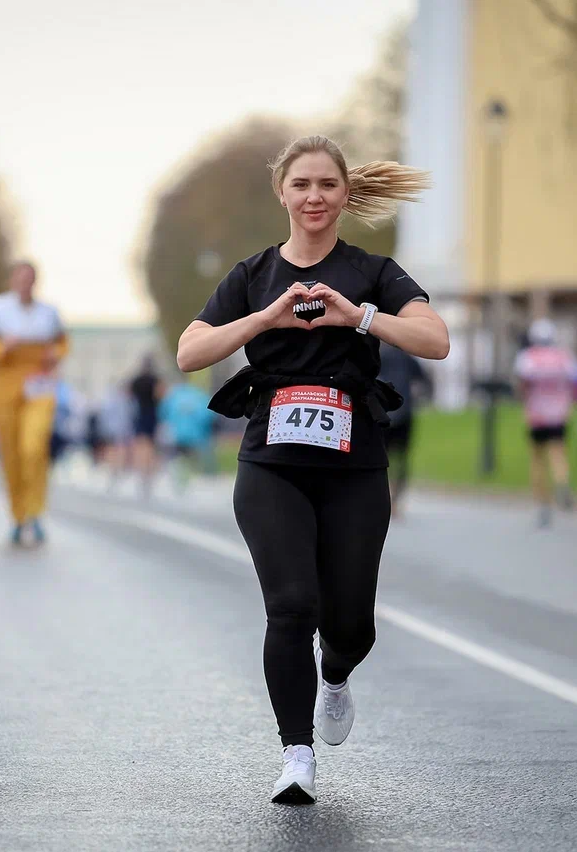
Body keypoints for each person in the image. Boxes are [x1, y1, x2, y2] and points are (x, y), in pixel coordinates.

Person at [176, 135, 449, 804]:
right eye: (302, 184)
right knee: (292, 605)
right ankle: (296, 754)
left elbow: (435, 340)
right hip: (272, 462)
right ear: (283, 192)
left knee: (351, 622)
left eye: (327, 184)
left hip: (355, 466)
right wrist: (263, 318)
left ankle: (336, 672)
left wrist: (359, 317)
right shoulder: (254, 275)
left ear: (346, 193)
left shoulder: (374, 272)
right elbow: (190, 350)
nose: (315, 196)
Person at [0, 262, 69, 545]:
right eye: (20, 278)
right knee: (11, 453)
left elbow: (63, 344)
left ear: (36, 282)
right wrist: (1, 348)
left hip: (39, 385)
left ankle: (36, 512)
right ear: (11, 281)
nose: (26, 283)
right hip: (6, 385)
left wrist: (55, 354)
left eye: (31, 279)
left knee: (34, 446)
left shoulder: (49, 313)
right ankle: (17, 515)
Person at [514, 318, 577, 528]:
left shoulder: (528, 357)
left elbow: (523, 383)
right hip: (559, 414)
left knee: (537, 459)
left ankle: (542, 502)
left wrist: (526, 404)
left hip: (537, 414)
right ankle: (562, 483)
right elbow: (575, 381)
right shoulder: (564, 357)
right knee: (558, 453)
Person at [377, 340, 432, 519]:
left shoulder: (379, 356)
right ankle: (396, 499)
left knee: (381, 460)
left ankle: (385, 499)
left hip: (383, 414)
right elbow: (423, 381)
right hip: (404, 411)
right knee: (401, 458)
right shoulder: (407, 358)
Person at [157, 376, 217, 493]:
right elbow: (208, 414)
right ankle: (194, 477)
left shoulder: (173, 396)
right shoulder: (199, 395)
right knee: (192, 457)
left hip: (177, 434)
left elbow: (163, 413)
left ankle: (180, 479)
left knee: (178, 458)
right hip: (195, 435)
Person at [128, 355, 164, 496]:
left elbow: (129, 394)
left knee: (141, 446)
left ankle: (141, 472)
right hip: (152, 414)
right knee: (151, 447)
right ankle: (148, 473)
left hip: (139, 414)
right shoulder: (155, 380)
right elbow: (160, 395)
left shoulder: (136, 380)